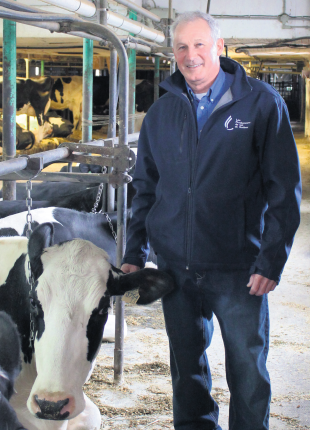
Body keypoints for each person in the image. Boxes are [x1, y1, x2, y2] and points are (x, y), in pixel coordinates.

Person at [121, 10, 301, 430]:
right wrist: (134, 252)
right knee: (186, 369)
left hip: (238, 268)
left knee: (247, 369)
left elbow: (283, 192)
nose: (191, 55)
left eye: (200, 44)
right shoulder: (162, 112)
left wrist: (271, 261)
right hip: (175, 269)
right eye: (182, 47)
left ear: (220, 47)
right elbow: (145, 187)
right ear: (173, 54)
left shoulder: (260, 103)